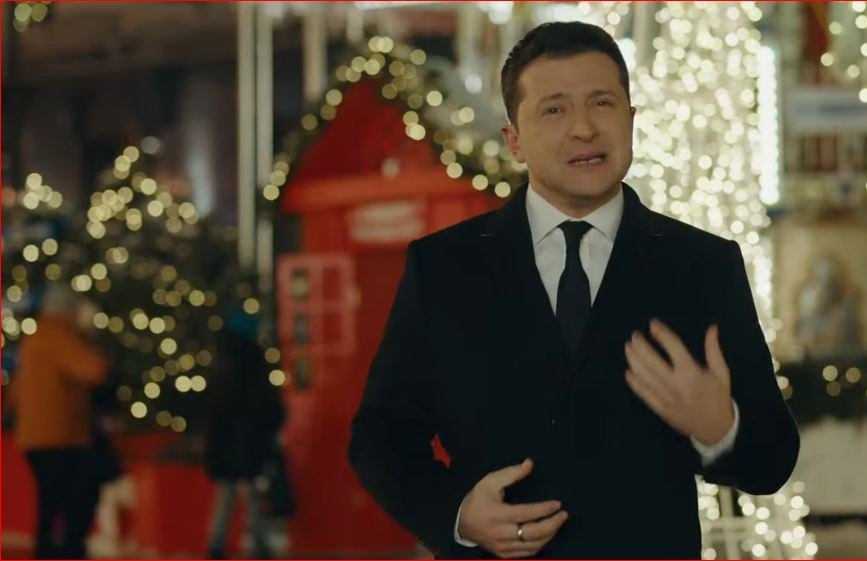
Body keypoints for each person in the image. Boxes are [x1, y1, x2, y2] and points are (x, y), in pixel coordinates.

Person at [349, 21, 799, 559]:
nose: (584, 128)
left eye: (602, 104)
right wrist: (458, 514)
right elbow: (381, 435)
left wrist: (719, 428)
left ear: (631, 119)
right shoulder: (445, 268)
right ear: (514, 140)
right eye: (554, 110)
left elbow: (773, 458)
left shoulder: (702, 266)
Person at [9, 284, 108, 559]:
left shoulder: (34, 339)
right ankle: (64, 551)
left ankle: (46, 550)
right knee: (69, 501)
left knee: (49, 502)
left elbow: (16, 392)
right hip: (59, 436)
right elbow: (94, 370)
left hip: (33, 435)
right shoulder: (61, 337)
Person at [203, 306, 285, 559]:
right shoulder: (252, 362)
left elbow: (217, 408)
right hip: (248, 438)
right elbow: (265, 403)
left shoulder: (223, 362)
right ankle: (257, 542)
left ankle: (218, 542)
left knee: (228, 493)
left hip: (228, 438)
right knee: (250, 492)